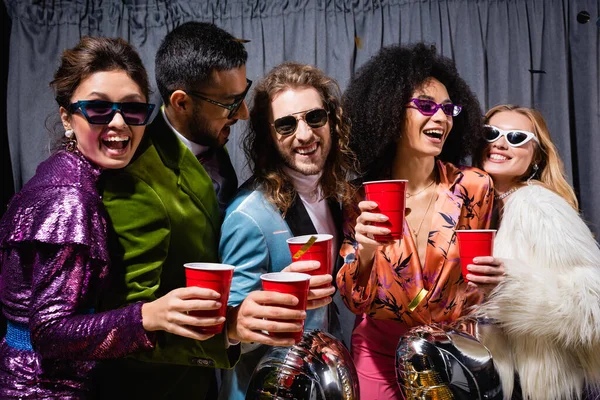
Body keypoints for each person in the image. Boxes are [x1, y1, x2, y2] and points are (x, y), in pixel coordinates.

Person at [0, 36, 226, 399]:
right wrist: (147, 316)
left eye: (134, 110)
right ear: (66, 117)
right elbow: (49, 334)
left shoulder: (65, 174)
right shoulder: (69, 198)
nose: (119, 123)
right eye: (99, 109)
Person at [97, 22, 250, 399]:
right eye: (230, 103)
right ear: (181, 102)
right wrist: (228, 331)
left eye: (242, 94)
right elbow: (124, 328)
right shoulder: (136, 182)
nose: (243, 112)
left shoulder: (211, 138)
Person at [336, 42, 497, 399]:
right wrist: (365, 250)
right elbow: (352, 300)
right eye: (425, 106)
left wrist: (493, 278)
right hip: (378, 353)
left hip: (451, 351)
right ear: (390, 113)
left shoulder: (474, 187)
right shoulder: (359, 197)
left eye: (448, 109)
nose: (440, 118)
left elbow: (479, 282)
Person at [218, 62, 358, 400]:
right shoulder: (249, 216)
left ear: (331, 120)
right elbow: (230, 334)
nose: (305, 134)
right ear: (269, 135)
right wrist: (277, 306)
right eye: (286, 124)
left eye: (314, 117)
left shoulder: (336, 197)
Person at [470, 105, 600, 400]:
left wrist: (510, 284)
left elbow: (593, 304)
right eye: (491, 133)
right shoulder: (471, 204)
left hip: (534, 385)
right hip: (490, 378)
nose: (501, 143)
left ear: (537, 156)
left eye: (516, 137)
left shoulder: (538, 206)